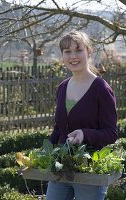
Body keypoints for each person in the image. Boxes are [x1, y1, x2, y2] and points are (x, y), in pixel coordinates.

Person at [46, 30, 117, 200]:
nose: (73, 56)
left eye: (78, 50)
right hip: (61, 168)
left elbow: (111, 133)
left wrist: (85, 134)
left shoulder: (101, 89)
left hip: (90, 170)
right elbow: (59, 129)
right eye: (67, 51)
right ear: (62, 56)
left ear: (89, 52)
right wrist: (42, 152)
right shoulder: (62, 87)